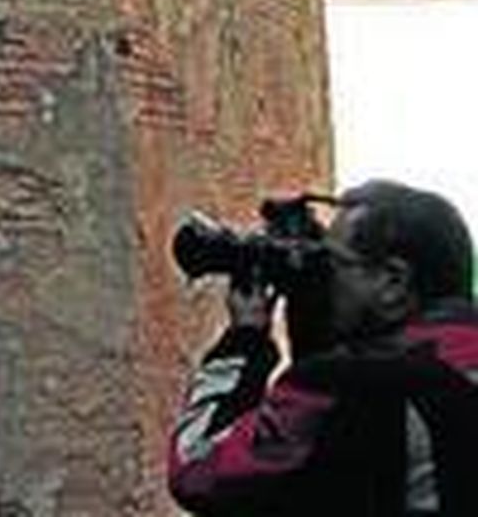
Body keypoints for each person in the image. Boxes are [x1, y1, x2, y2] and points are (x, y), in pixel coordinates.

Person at [168, 180, 478, 514]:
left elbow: (196, 470)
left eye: (330, 263)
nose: (321, 277)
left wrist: (244, 342)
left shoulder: (345, 384)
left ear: (393, 282)